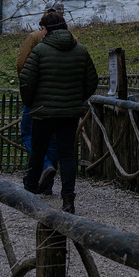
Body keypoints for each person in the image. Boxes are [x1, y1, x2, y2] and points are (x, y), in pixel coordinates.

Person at [19, 11, 99, 213]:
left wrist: (31, 103)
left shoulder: (39, 51)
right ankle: (68, 200)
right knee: (66, 155)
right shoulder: (80, 50)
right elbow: (92, 81)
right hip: (69, 114)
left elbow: (27, 81)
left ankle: (31, 192)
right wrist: (75, 100)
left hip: (43, 113)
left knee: (37, 152)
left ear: (48, 30)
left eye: (42, 29)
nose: (41, 32)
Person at [17, 9, 60, 194]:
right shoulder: (71, 38)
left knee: (27, 132)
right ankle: (47, 185)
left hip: (36, 97)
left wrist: (27, 86)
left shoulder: (35, 37)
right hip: (60, 98)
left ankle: (44, 166)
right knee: (52, 141)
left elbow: (21, 63)